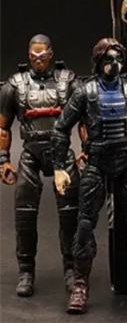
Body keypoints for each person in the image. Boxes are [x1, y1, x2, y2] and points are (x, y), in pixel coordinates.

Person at [52, 38, 127, 314]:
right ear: (97, 63)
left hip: (126, 161)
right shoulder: (85, 92)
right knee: (84, 224)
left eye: (118, 59)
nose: (113, 64)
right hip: (96, 162)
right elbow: (61, 128)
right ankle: (80, 286)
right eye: (108, 59)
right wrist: (59, 167)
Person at [0, 35, 78, 297]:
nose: (38, 61)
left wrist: (87, 151)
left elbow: (86, 118)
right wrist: (3, 160)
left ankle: (72, 269)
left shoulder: (68, 81)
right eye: (34, 57)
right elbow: (3, 127)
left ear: (51, 55)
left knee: (70, 213)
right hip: (30, 153)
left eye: (43, 57)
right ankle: (26, 271)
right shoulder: (15, 85)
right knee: (24, 214)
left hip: (62, 152)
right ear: (28, 55)